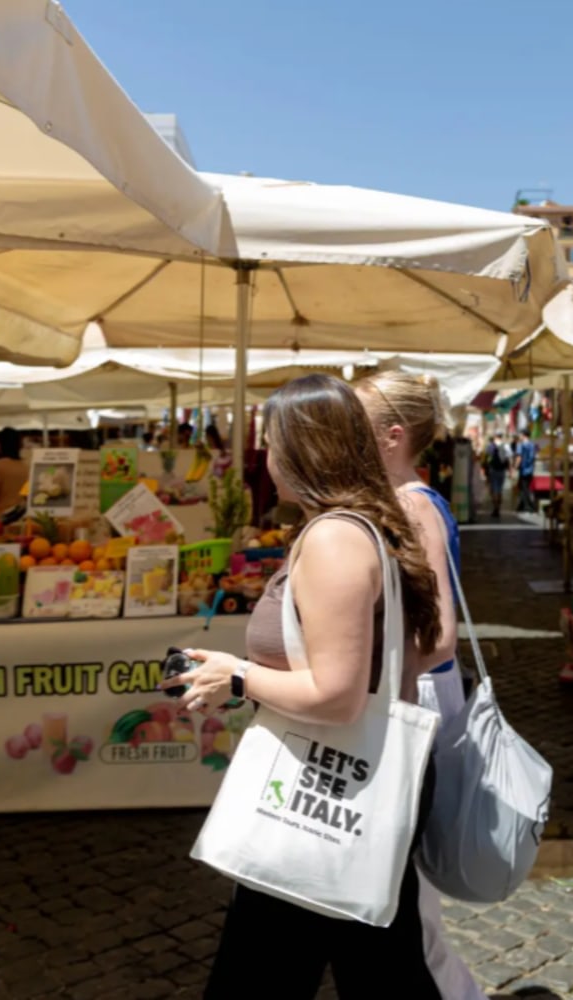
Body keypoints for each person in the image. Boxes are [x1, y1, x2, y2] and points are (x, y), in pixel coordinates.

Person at [166, 375, 447, 999]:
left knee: (265, 974)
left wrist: (238, 675)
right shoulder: (355, 528)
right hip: (351, 782)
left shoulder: (334, 538)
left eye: (273, 443)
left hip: (325, 789)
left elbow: (337, 695)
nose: (267, 459)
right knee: (382, 970)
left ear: (305, 449)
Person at [355, 370, 486, 1000]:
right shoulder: (401, 501)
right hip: (415, 692)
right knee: (403, 885)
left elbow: (438, 636)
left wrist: (371, 681)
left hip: (418, 696)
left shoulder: (412, 505)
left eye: (357, 424)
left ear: (392, 436)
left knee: (412, 892)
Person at [483, 432, 509, 517]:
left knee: (494, 490)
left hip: (493, 470)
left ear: (495, 436)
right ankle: (498, 508)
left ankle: (495, 508)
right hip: (502, 471)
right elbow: (508, 458)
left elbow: (486, 458)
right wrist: (509, 469)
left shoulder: (490, 446)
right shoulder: (506, 446)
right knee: (500, 490)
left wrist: (485, 470)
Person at [515, 431, 538, 513]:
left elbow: (519, 457)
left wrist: (515, 467)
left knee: (524, 488)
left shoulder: (521, 445)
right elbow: (533, 457)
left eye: (520, 435)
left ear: (524, 435)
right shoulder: (532, 445)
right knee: (525, 487)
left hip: (523, 469)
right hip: (530, 469)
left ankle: (528, 506)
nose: (519, 436)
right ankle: (521, 505)